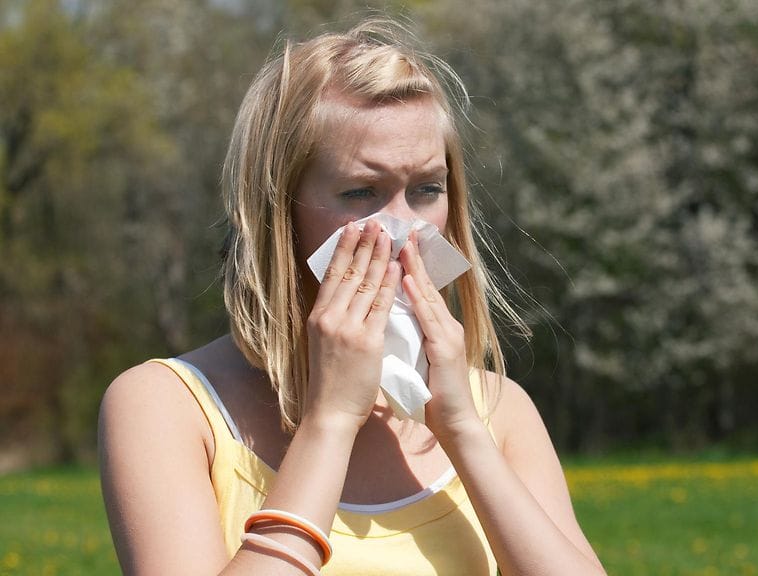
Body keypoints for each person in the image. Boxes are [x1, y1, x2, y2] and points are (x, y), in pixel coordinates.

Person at [98, 17, 606, 576]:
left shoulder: (498, 409)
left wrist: (462, 431)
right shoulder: (166, 406)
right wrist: (331, 419)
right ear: (279, 211)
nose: (403, 228)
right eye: (361, 192)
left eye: (427, 190)